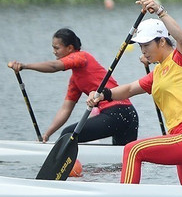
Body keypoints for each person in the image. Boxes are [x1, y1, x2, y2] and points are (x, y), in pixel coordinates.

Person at [87, 0, 182, 186]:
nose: (143, 51)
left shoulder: (181, 60)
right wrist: (102, 95)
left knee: (132, 150)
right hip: (181, 139)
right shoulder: (158, 72)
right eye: (140, 46)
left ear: (162, 42)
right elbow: (128, 89)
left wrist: (160, 10)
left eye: (146, 45)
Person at [8, 28, 138, 145]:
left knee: (68, 135)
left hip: (117, 113)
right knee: (120, 162)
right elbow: (65, 110)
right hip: (129, 114)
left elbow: (54, 66)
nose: (54, 52)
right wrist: (47, 134)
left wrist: (25, 66)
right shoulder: (75, 81)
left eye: (57, 48)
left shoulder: (82, 57)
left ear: (70, 48)